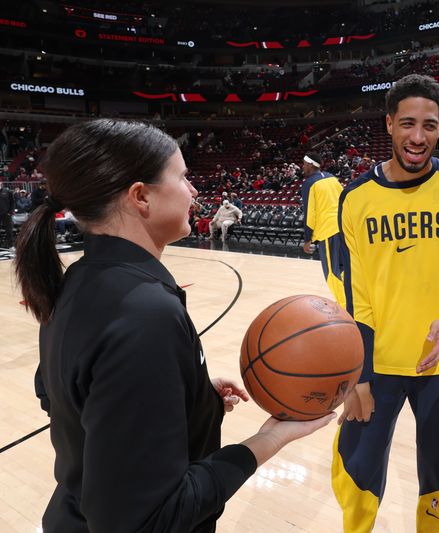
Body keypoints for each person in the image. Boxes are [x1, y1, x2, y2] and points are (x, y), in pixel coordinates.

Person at [14, 120, 333, 532]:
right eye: (183, 177)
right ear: (141, 196)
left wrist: (186, 398)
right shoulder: (144, 313)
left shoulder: (77, 280)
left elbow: (58, 397)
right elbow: (149, 519)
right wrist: (268, 440)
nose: (194, 191)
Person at [333, 74, 439, 532]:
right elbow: (355, 298)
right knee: (357, 470)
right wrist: (359, 377)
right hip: (378, 367)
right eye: (407, 123)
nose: (417, 136)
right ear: (388, 124)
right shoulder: (355, 198)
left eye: (429, 125)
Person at [300, 151, 345, 305]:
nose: (303, 167)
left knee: (332, 273)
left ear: (311, 165)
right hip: (343, 228)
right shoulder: (333, 178)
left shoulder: (309, 184)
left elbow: (310, 214)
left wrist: (307, 240)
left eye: (305, 164)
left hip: (328, 231)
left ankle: (346, 308)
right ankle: (353, 301)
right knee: (344, 269)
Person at [0, 182, 14, 249]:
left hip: (6, 214)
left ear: (1, 184)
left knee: (9, 230)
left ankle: (11, 245)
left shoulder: (8, 191)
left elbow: (12, 202)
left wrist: (10, 212)